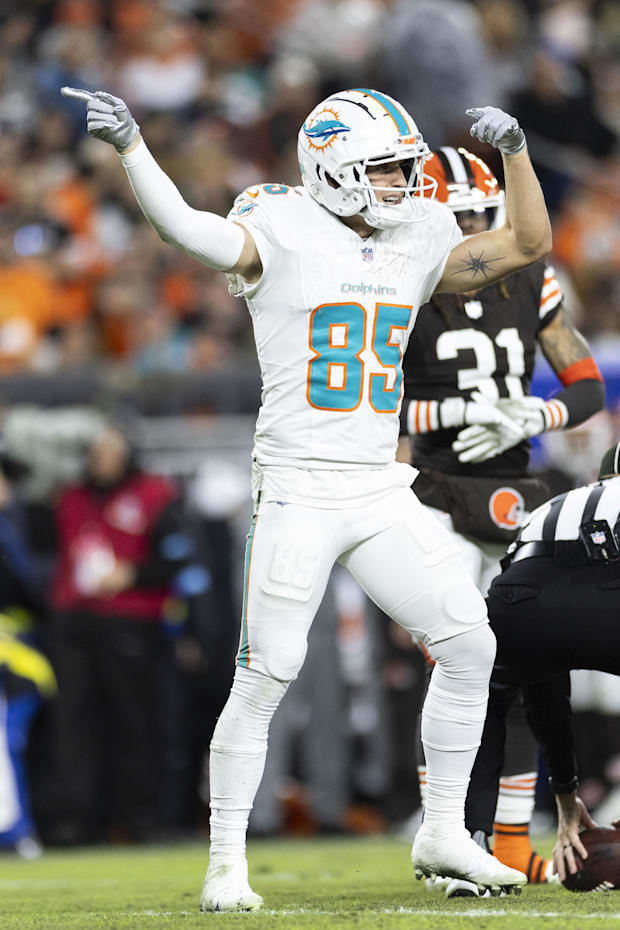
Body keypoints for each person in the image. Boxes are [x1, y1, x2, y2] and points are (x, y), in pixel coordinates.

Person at [62, 84, 552, 911]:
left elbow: (528, 241)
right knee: (268, 673)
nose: (407, 184)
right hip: (296, 486)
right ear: (334, 172)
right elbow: (183, 228)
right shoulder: (280, 229)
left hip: (376, 485)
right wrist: (132, 146)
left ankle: (441, 831)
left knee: (471, 644)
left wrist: (517, 152)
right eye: (388, 170)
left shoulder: (420, 235)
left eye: (405, 169)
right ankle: (225, 864)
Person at [402, 145, 604, 893]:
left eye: (480, 215)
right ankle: (450, 837)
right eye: (455, 216)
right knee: (464, 661)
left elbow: (584, 386)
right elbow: (369, 402)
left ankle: (511, 843)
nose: (471, 230)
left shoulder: (529, 276)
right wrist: (458, 408)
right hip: (436, 490)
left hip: (518, 489)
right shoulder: (404, 281)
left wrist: (538, 409)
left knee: (517, 663)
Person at [465, 440, 620, 883]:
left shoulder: (558, 504)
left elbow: (544, 683)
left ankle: (469, 849)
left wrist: (566, 795)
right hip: (606, 593)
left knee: (485, 704)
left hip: (519, 599)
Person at [49, 420, 202, 843]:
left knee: (135, 723)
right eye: (97, 449)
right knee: (76, 725)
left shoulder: (154, 496)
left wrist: (131, 574)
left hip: (132, 623)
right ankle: (79, 820)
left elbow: (179, 561)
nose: (103, 457)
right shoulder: (70, 497)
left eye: (111, 448)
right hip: (76, 623)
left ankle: (138, 817)